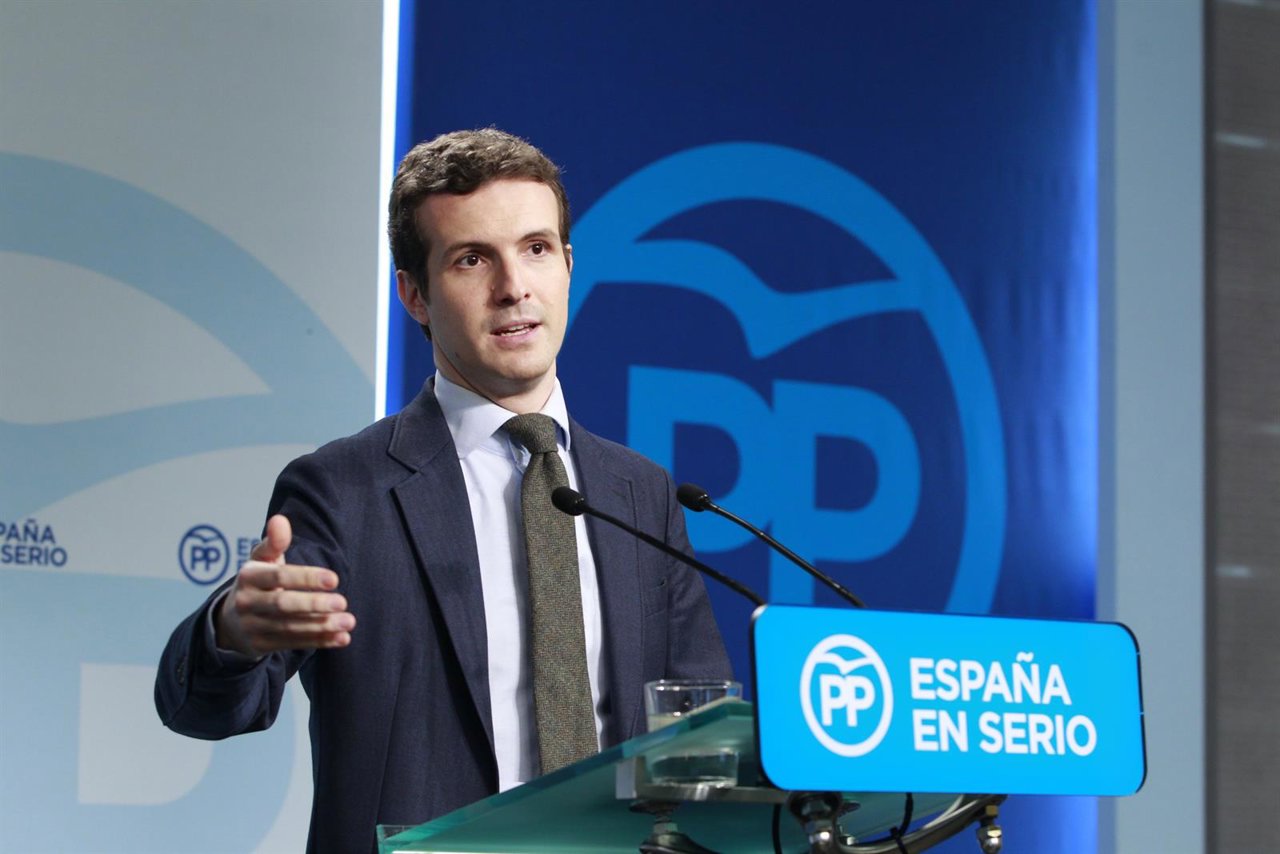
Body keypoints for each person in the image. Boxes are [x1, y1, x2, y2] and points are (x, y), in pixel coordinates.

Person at [154, 128, 731, 853]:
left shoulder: (641, 493)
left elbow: (696, 735)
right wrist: (232, 634)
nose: (514, 287)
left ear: (569, 266)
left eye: (536, 249)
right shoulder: (343, 488)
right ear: (414, 295)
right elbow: (206, 707)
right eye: (471, 259)